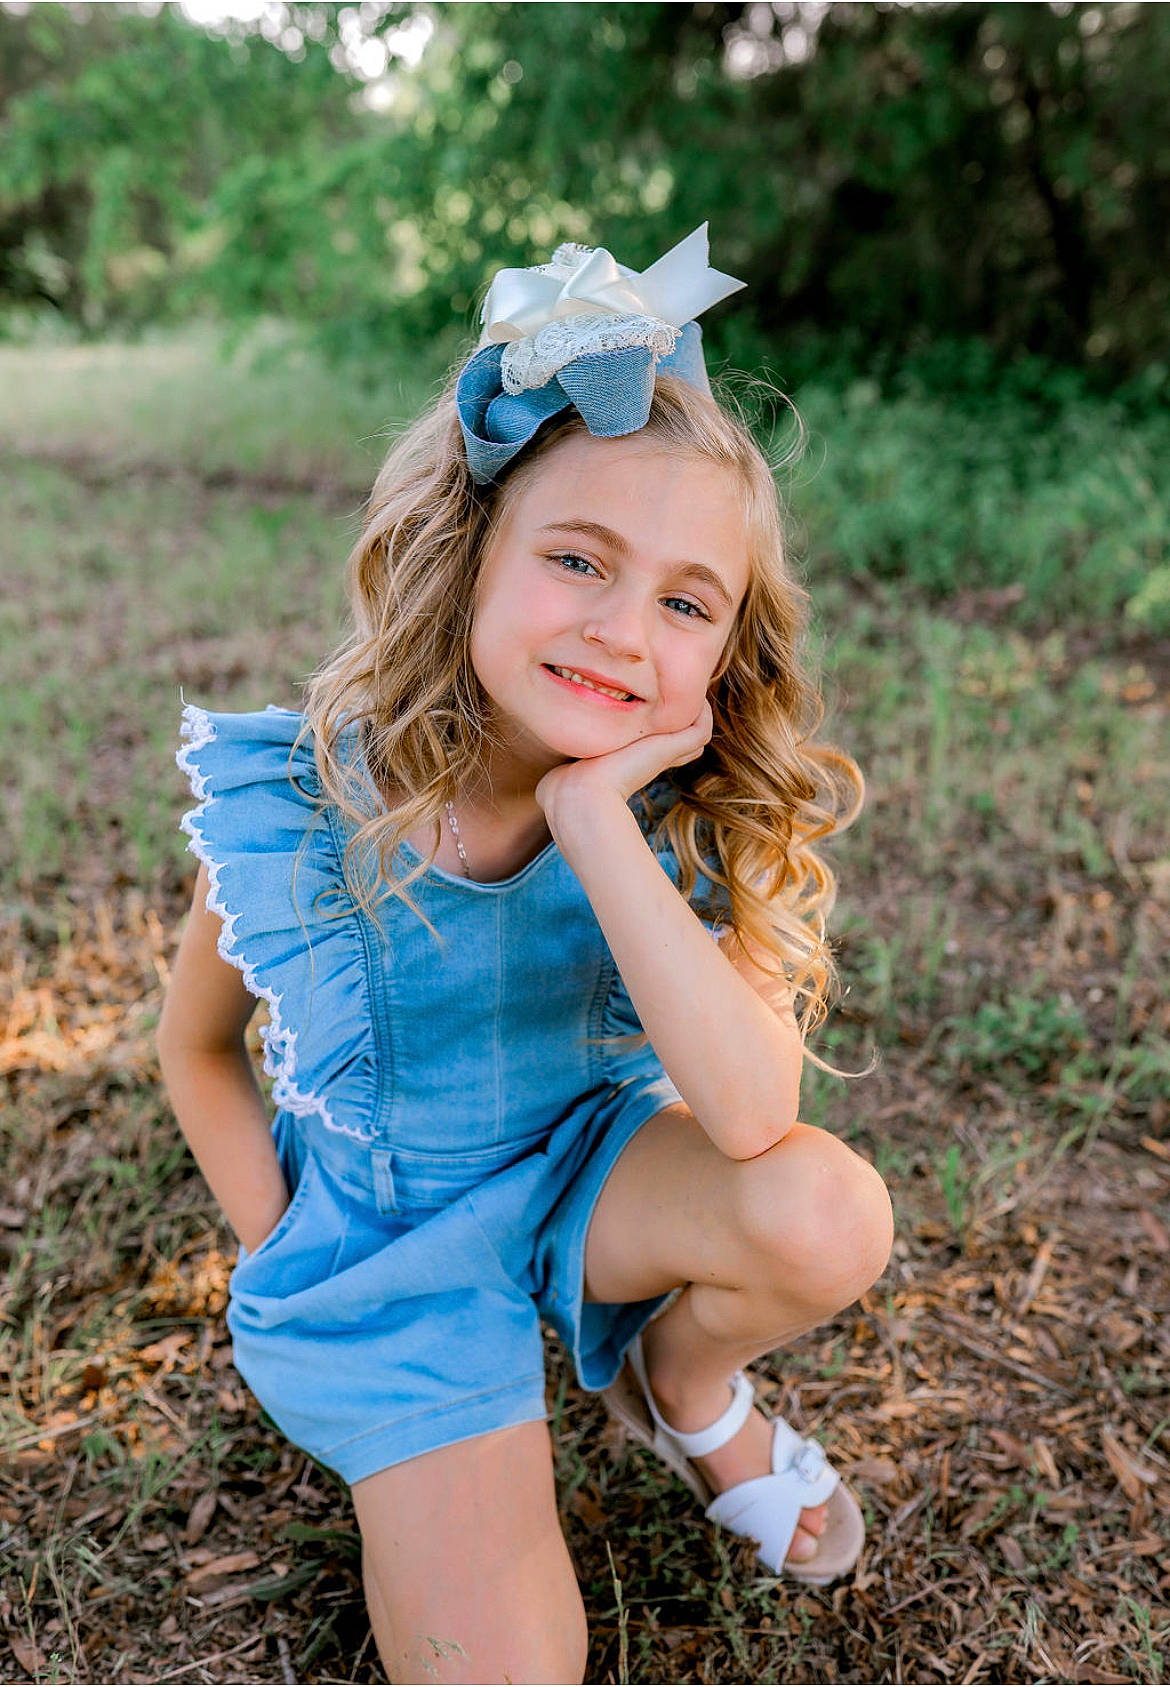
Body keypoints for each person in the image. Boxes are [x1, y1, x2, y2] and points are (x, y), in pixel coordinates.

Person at [157, 224, 894, 1685]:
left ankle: (680, 1390)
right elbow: (196, 1046)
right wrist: (279, 1240)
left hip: (580, 1176)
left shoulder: (679, 808)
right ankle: (452, 1409)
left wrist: (592, 819)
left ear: (725, 652)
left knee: (822, 1212)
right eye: (577, 561)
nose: (624, 633)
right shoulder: (307, 802)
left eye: (686, 602)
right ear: (467, 554)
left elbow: (752, 1121)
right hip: (391, 1244)